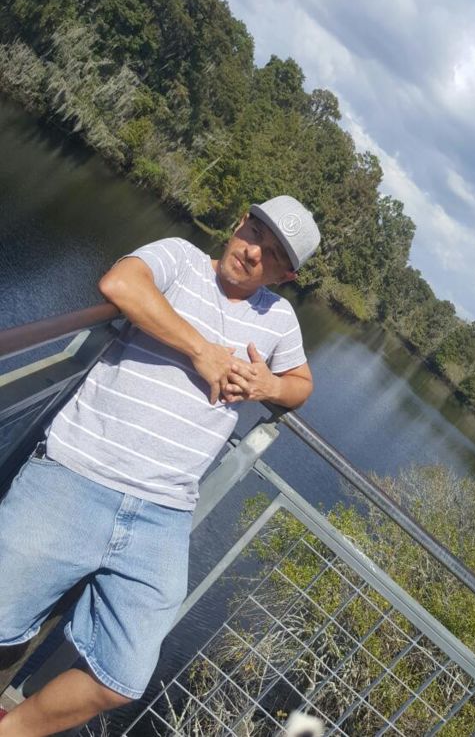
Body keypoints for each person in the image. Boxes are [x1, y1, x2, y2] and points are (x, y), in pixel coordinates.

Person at [0, 195, 321, 737]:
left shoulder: (278, 318)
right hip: (79, 472)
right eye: (254, 233)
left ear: (284, 276)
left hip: (163, 516)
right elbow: (121, 284)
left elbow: (302, 385)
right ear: (240, 221)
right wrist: (202, 351)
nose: (251, 252)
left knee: (122, 677)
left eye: (270, 255)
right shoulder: (181, 258)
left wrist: (269, 386)